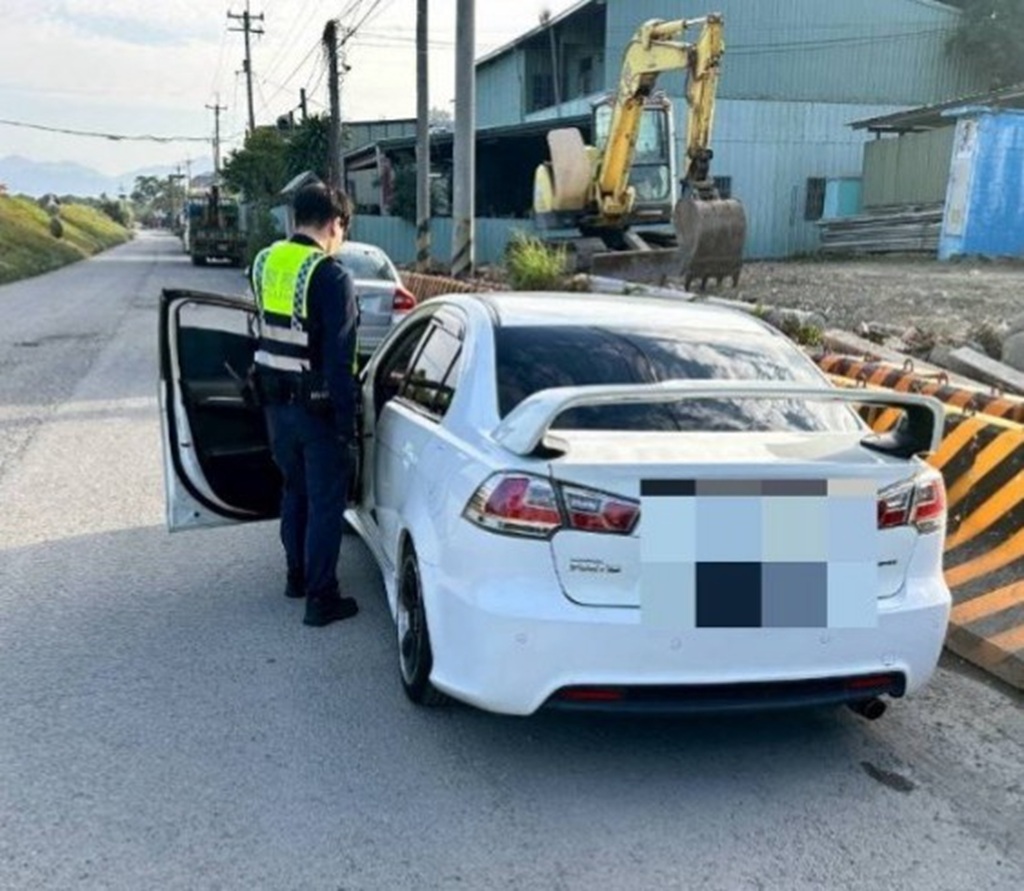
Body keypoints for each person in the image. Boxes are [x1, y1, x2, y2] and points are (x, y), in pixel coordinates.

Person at [250, 183, 360, 627]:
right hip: (317, 411)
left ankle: (295, 577)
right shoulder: (332, 276)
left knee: (294, 490)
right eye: (343, 230)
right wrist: (347, 423)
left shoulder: (264, 262)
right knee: (326, 503)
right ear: (335, 224)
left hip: (274, 407)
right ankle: (322, 598)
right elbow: (339, 360)